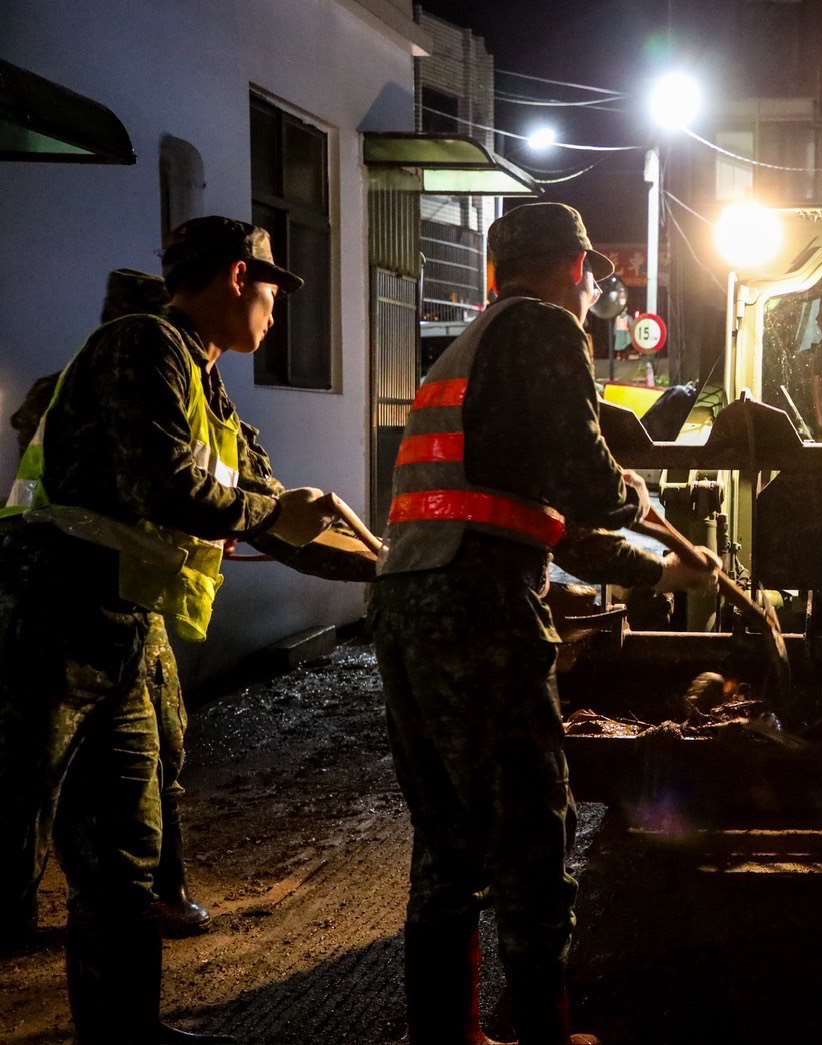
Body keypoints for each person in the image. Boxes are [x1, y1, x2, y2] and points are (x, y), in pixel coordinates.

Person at [0, 216, 369, 1043]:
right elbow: (167, 484)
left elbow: (281, 524)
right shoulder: (144, 345)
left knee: (125, 854)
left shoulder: (213, 390)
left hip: (125, 633)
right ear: (239, 277)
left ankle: (124, 1029)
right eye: (273, 289)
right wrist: (275, 510)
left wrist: (396, 571)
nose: (278, 312)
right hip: (52, 621)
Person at [370, 202, 717, 1045]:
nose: (593, 290)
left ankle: (445, 1033)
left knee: (449, 832)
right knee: (529, 824)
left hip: (410, 599)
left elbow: (549, 521)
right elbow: (587, 485)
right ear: (574, 267)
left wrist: (661, 569)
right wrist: (640, 499)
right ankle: (543, 1031)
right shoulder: (543, 330)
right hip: (479, 603)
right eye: (592, 274)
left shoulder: (468, 348)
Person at [5, 269, 214, 939]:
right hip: (61, 595)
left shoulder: (163, 388)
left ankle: (161, 888)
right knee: (36, 762)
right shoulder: (81, 389)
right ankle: (17, 906)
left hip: (128, 599)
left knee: (154, 755)